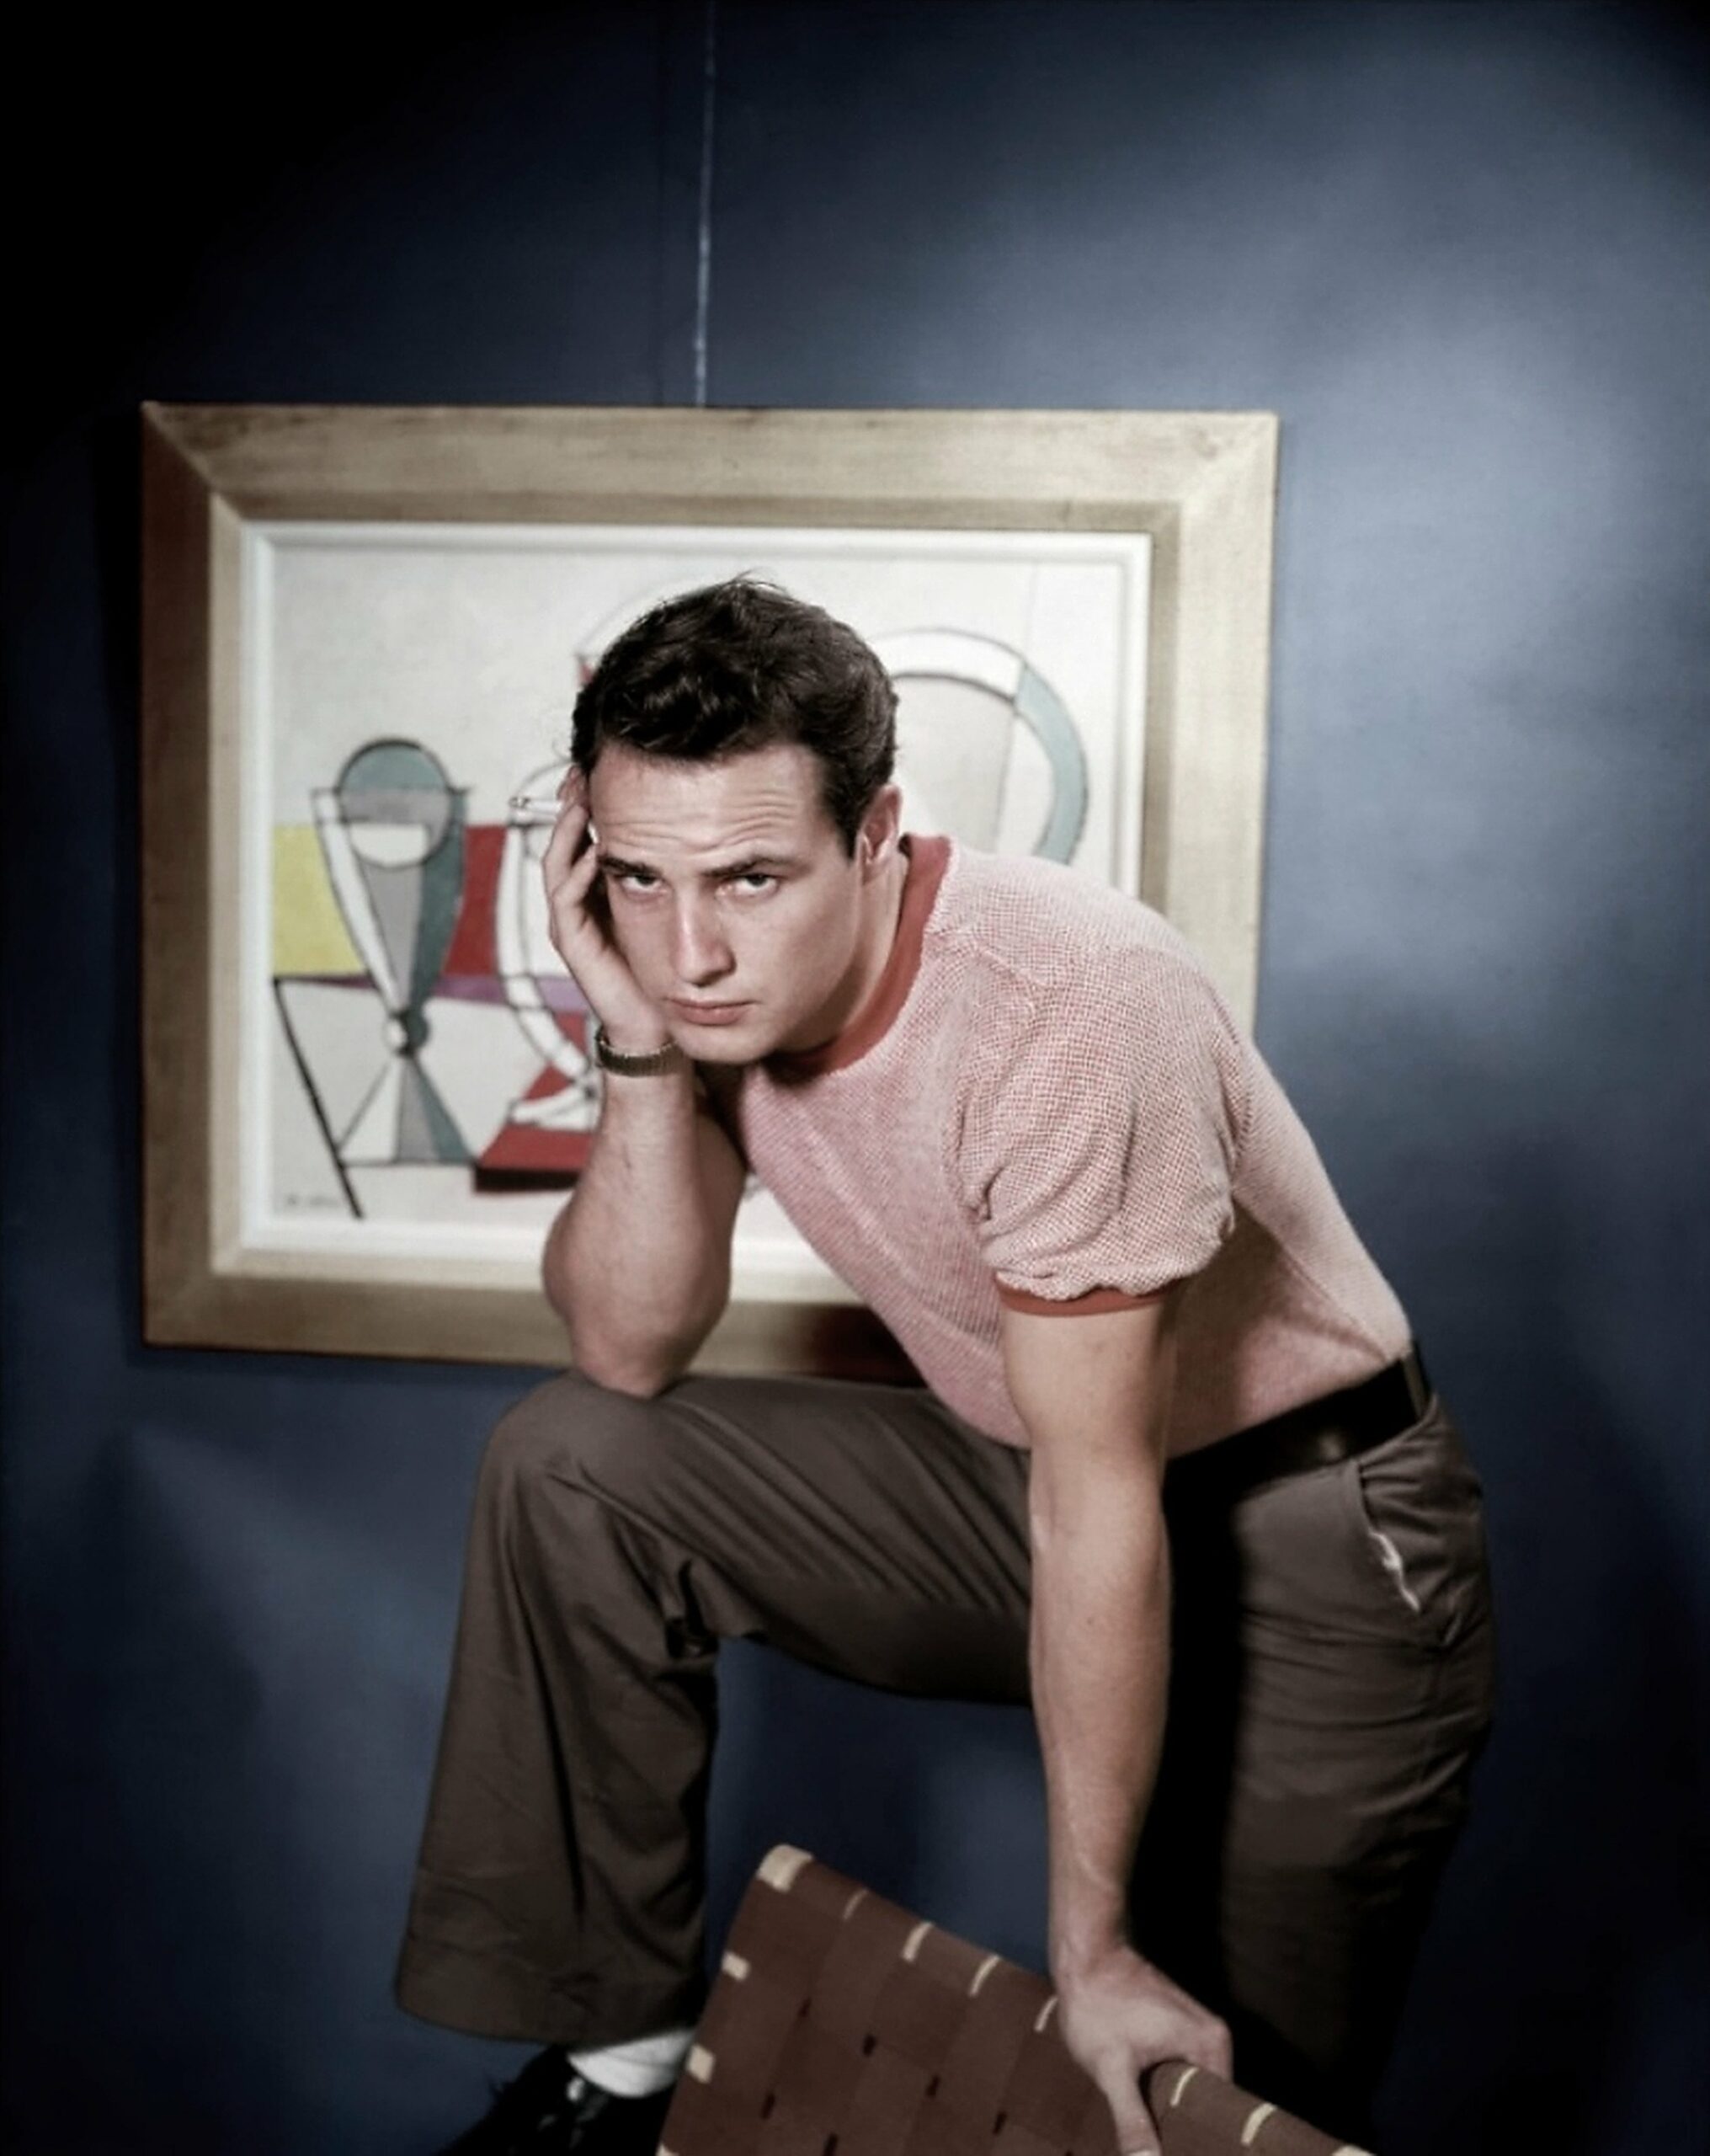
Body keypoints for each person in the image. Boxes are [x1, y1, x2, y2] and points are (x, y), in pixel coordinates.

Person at [397, 577, 1496, 2156]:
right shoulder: (693, 994)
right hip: (1028, 1476)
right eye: (639, 876)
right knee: (575, 1459)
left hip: (1312, 1538)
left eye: (753, 876)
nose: (695, 946)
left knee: (1208, 2102)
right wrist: (635, 1044)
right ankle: (621, 2060)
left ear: (880, 833)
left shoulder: (1068, 1009)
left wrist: (1093, 1953)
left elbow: (1099, 1494)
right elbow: (625, 1346)